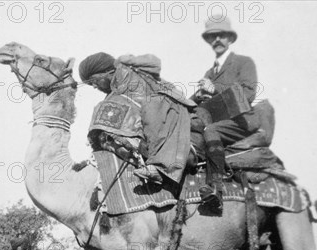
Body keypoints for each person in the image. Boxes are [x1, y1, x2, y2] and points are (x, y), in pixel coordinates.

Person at [79, 52, 196, 186]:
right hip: (152, 119)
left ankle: (159, 166)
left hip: (169, 115)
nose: (94, 86)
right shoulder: (118, 86)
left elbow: (137, 101)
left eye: (94, 81)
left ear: (107, 72)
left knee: (104, 112)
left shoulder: (130, 78)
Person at [192, 15, 261, 210]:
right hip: (215, 121)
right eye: (212, 37)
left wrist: (214, 89)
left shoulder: (243, 62)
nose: (217, 40)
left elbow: (248, 93)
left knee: (210, 131)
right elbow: (202, 100)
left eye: (222, 35)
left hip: (241, 122)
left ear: (230, 39)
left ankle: (215, 189)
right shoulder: (209, 73)